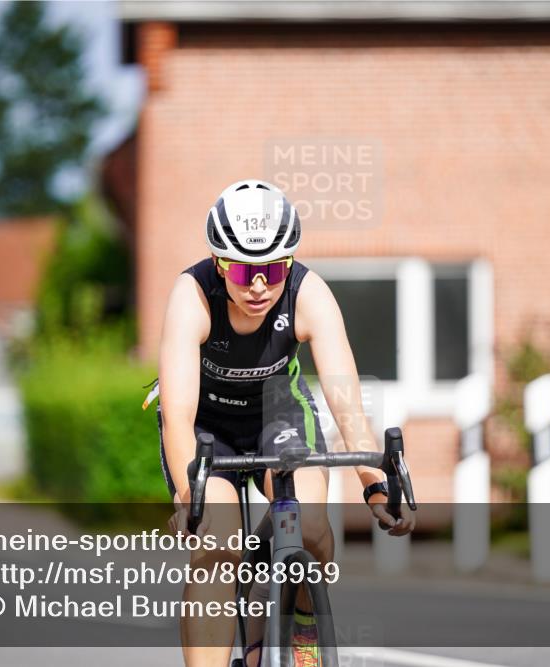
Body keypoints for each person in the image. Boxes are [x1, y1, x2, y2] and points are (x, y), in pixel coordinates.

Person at [151, 179, 415, 667]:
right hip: (208, 427)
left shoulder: (309, 292)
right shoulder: (191, 296)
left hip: (279, 412)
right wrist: (193, 501)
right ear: (218, 263)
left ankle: (302, 629)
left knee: (311, 525)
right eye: (244, 270)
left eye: (273, 270)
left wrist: (374, 482)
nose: (258, 286)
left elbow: (345, 401)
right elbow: (179, 419)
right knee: (218, 538)